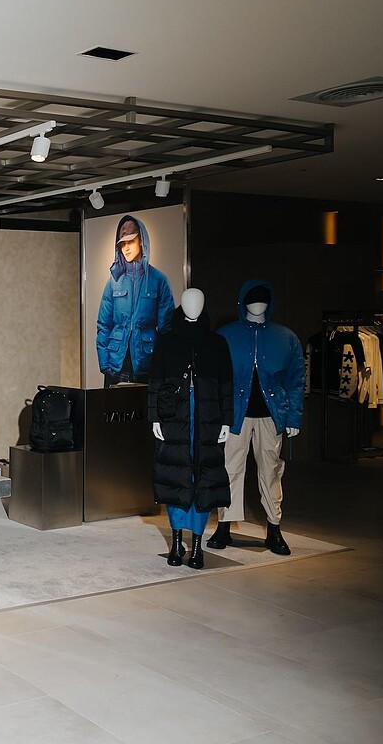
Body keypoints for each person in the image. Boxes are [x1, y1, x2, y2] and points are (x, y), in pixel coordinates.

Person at [209, 280, 305, 555]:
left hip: (271, 416)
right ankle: (224, 525)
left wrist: (294, 417)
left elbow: (296, 380)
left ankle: (274, 528)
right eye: (253, 299)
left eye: (263, 299)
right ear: (242, 303)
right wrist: (217, 415)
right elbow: (215, 379)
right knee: (230, 469)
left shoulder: (285, 338)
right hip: (235, 417)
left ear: (270, 303)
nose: (258, 304)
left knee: (271, 471)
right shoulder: (226, 335)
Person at [148, 289, 233, 569]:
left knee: (203, 477)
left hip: (208, 417)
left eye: (198, 301)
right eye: (187, 301)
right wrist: (155, 417)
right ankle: (176, 542)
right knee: (176, 475)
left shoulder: (217, 343)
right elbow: (156, 382)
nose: (193, 306)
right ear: (180, 306)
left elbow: (226, 385)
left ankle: (197, 545)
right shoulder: (166, 341)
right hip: (174, 415)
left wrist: (226, 421)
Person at [96, 214, 176, 386]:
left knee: (144, 404)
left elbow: (167, 330)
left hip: (147, 363)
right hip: (116, 365)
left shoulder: (158, 280)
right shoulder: (114, 282)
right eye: (122, 243)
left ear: (141, 240)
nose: (126, 248)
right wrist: (105, 364)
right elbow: (103, 325)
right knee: (113, 403)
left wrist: (162, 365)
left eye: (131, 241)